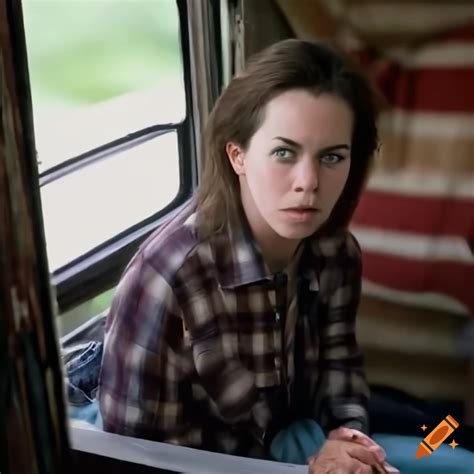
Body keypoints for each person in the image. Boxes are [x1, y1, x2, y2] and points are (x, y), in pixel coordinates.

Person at [99, 38, 388, 473]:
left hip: (301, 441)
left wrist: (348, 443)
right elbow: (135, 459)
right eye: (284, 153)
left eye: (331, 157)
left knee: (448, 439)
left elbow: (339, 367)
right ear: (238, 155)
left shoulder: (336, 253)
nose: (308, 183)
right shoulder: (168, 277)